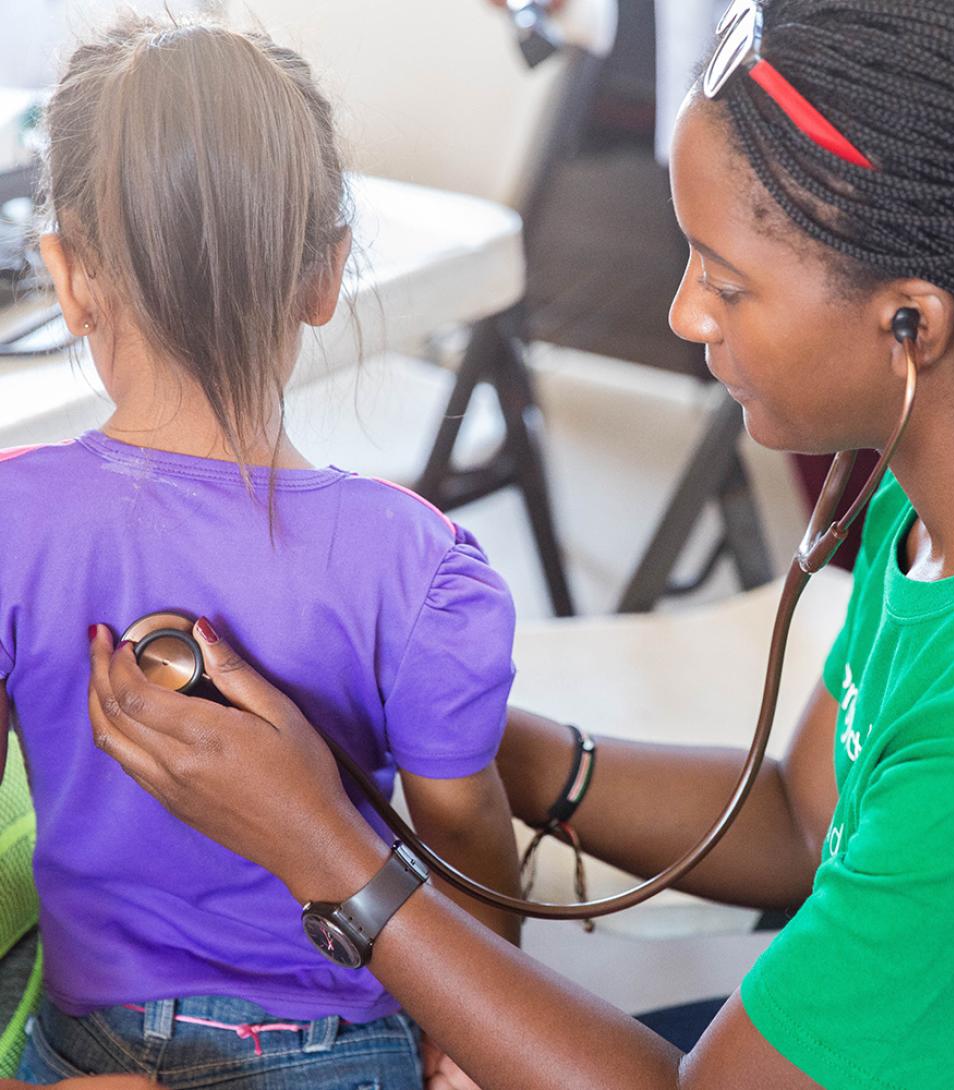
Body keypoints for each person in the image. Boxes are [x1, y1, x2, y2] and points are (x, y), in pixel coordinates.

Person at [88, 0, 954, 1086]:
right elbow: (808, 821)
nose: (683, 314)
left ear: (913, 323)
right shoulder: (935, 496)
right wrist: (464, 736)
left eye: (725, 278)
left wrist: (325, 848)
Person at [1, 13, 521, 1089]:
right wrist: (473, 1030)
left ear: (67, 274)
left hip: (90, 1036)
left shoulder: (13, 521)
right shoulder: (419, 566)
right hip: (344, 1043)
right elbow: (465, 831)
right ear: (326, 275)